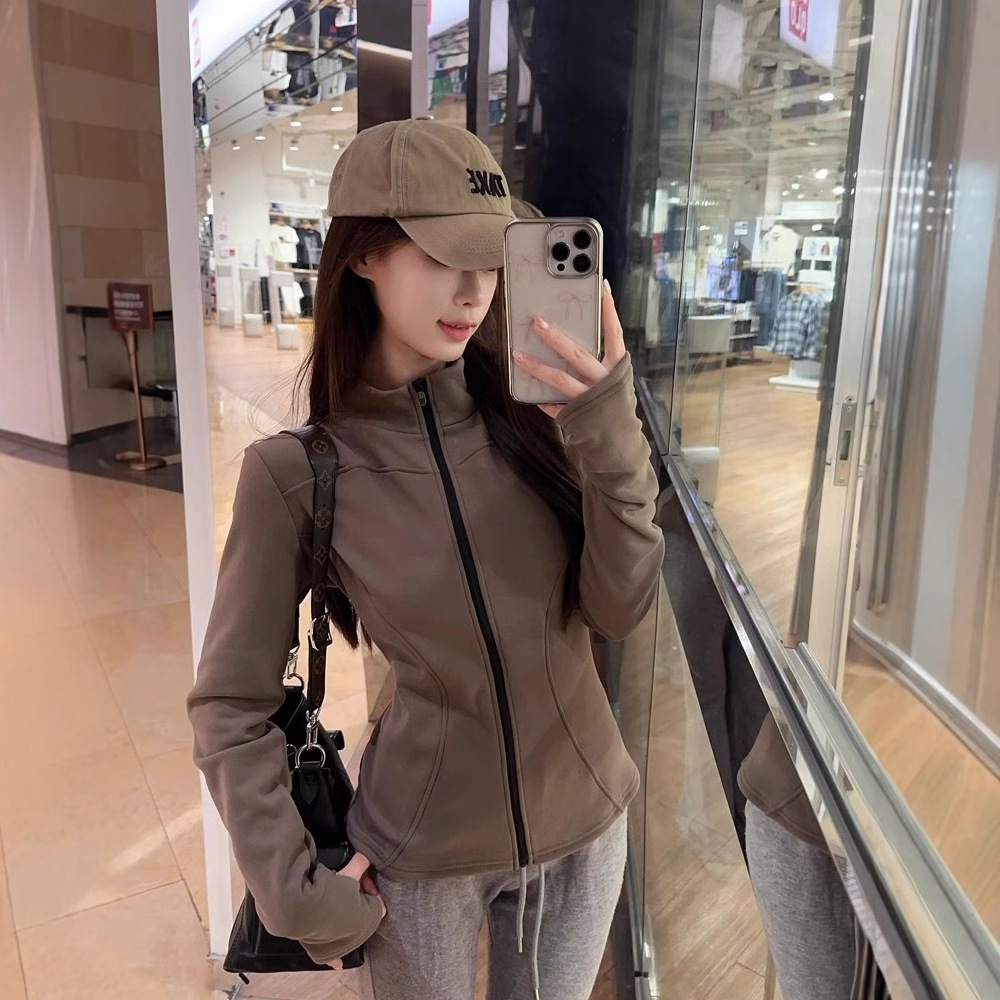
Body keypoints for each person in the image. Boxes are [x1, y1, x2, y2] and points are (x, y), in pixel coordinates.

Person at [187, 118, 664, 1000]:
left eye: (492, 259)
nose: (474, 289)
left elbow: (621, 608)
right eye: (444, 255)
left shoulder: (542, 422)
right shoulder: (296, 473)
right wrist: (296, 894)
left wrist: (607, 426)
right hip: (423, 854)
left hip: (587, 823)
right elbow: (229, 703)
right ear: (365, 255)